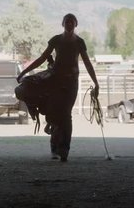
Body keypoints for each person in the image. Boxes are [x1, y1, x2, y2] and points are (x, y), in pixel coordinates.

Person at [17, 13, 100, 162]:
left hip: (71, 83)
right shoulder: (56, 40)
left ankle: (64, 150)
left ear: (75, 25)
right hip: (55, 80)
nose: (69, 25)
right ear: (63, 24)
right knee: (56, 114)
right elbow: (42, 58)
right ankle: (55, 147)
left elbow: (87, 62)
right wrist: (24, 72)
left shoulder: (80, 42)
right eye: (67, 22)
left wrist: (96, 82)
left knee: (66, 115)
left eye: (72, 22)